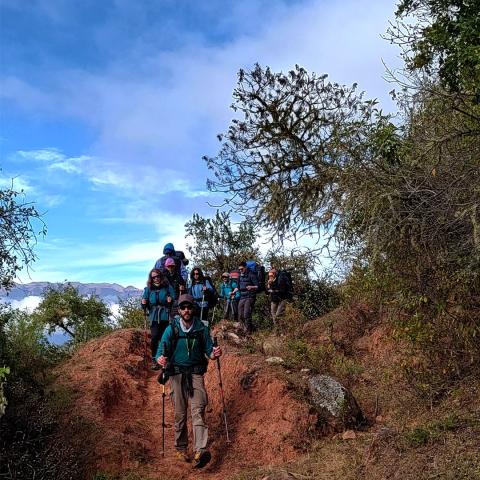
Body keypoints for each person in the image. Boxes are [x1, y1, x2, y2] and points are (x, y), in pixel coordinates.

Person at [156, 294, 222, 469]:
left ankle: (200, 450)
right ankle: (181, 447)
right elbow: (160, 351)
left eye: (189, 307)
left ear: (193, 309)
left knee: (198, 410)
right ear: (179, 310)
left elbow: (210, 351)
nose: (186, 310)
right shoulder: (171, 329)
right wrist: (160, 359)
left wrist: (215, 354)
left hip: (196, 374)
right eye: (183, 307)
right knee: (180, 414)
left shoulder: (201, 328)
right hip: (176, 375)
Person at [141, 269, 175, 370]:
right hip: (154, 316)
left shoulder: (167, 287)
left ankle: (166, 358)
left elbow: (173, 299)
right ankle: (155, 359)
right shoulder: (148, 289)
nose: (156, 278)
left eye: (157, 276)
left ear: (161, 276)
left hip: (165, 316)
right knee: (155, 337)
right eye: (153, 277)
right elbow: (144, 302)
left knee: (165, 337)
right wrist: (143, 303)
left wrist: (170, 301)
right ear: (151, 278)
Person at [233, 261, 258, 333]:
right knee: (240, 314)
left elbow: (257, 286)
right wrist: (233, 292)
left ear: (245, 268)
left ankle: (249, 332)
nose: (240, 270)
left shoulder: (251, 275)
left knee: (246, 314)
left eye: (242, 269)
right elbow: (237, 287)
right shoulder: (239, 276)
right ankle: (243, 330)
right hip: (242, 296)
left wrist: (251, 287)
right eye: (239, 269)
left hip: (250, 296)